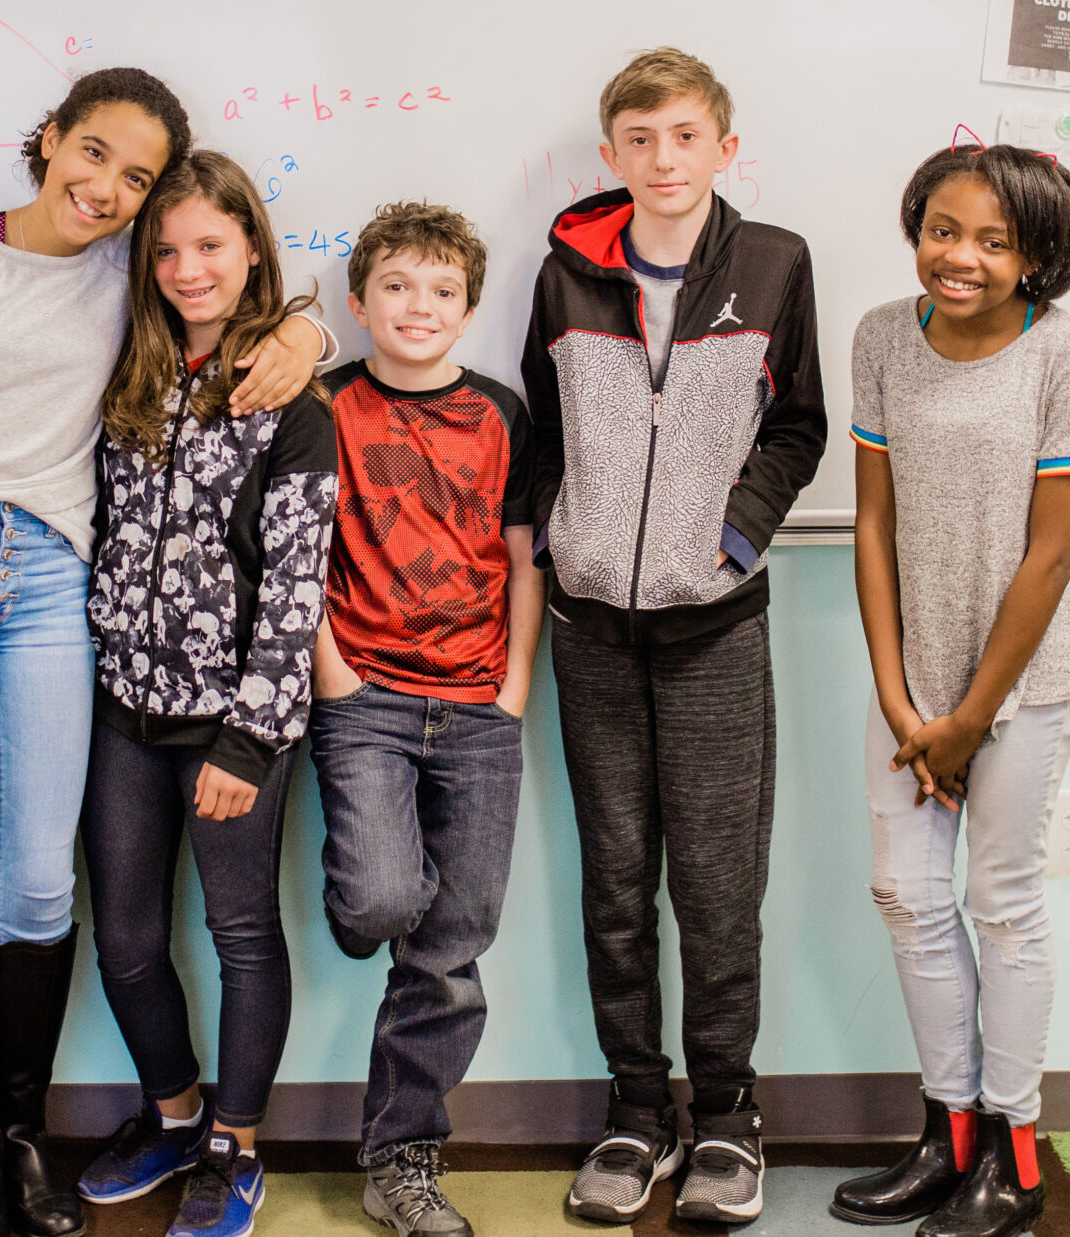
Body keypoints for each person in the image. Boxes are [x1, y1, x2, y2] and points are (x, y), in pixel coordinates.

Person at [0, 71, 330, 1237]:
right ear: (46, 141)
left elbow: (243, 291)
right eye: (90, 153)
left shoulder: (127, 272)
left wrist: (312, 323)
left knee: (43, 878)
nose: (105, 188)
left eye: (135, 178)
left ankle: (20, 1136)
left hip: (54, 585)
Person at [522, 47, 825, 1227]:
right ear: (611, 155)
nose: (662, 159)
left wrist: (735, 539)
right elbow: (541, 434)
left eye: (684, 136)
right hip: (591, 627)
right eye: (639, 139)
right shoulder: (563, 275)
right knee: (612, 881)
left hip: (714, 627)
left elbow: (795, 428)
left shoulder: (772, 263)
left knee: (714, 880)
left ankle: (728, 1116)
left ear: (722, 148)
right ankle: (636, 1111)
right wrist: (562, 546)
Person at [832, 139, 1070, 1237]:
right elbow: (870, 519)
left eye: (996, 241)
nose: (961, 257)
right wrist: (904, 707)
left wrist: (965, 723)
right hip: (917, 679)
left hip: (1027, 678)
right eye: (943, 229)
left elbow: (1048, 557)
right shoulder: (881, 338)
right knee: (904, 891)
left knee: (1000, 901)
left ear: (1038, 255)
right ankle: (946, 1135)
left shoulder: (1068, 355)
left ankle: (1013, 1150)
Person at [69, 149, 340, 1237]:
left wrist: (251, 736)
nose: (188, 268)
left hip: (233, 724)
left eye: (211, 246)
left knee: (239, 932)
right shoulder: (123, 378)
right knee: (126, 937)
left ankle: (234, 1144)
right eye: (167, 249)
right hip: (120, 713)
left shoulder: (291, 399)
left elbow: (294, 586)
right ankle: (174, 1114)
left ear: (250, 252)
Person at [310, 201, 541, 1237]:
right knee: (378, 903)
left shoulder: (502, 412)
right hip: (365, 699)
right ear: (358, 303)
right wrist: (335, 679)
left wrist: (514, 687)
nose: (418, 306)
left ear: (468, 308)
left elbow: (522, 552)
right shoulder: (319, 405)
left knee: (450, 951)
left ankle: (402, 1156)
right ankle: (370, 900)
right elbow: (292, 552)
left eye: (441, 290)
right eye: (396, 286)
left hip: (481, 703)